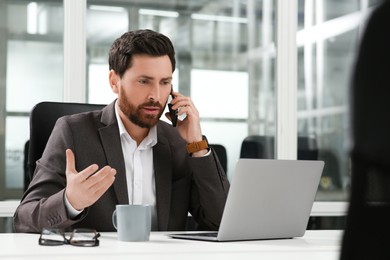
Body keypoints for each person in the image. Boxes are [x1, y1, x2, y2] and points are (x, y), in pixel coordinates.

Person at [13, 29, 230, 233]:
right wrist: (70, 201)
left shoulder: (179, 142)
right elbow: (23, 220)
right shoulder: (73, 132)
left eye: (165, 82)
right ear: (114, 82)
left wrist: (197, 145)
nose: (156, 95)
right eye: (144, 81)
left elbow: (221, 221)